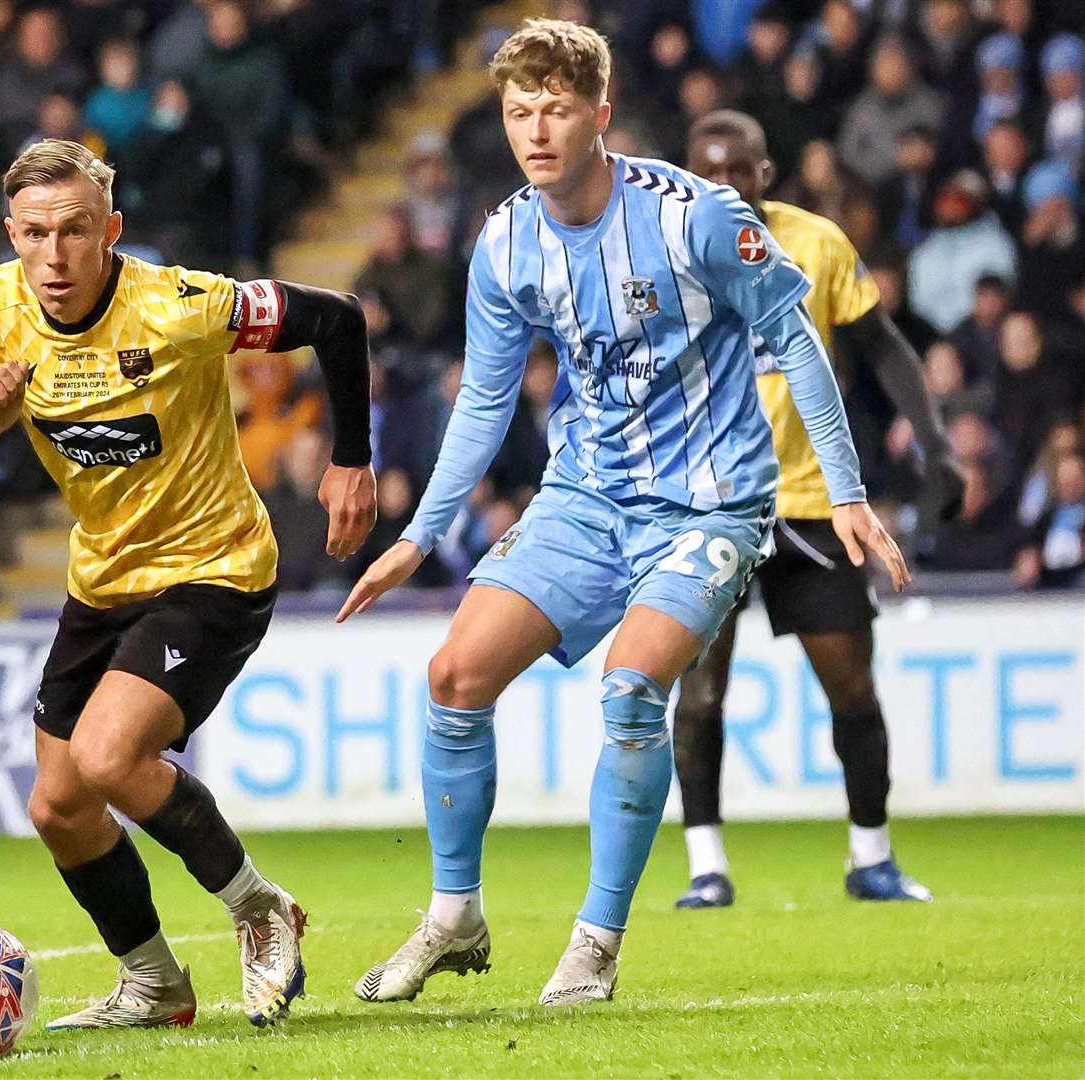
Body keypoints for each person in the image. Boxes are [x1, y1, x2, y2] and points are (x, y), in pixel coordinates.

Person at [341, 20, 909, 1008]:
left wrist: (848, 491)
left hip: (713, 500)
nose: (536, 129)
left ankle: (595, 943)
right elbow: (483, 399)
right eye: (519, 112)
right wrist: (417, 535)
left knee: (631, 685)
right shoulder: (507, 241)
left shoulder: (695, 217)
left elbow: (796, 338)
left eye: (556, 109)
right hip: (586, 494)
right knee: (452, 675)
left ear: (599, 114)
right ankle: (453, 915)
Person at [0, 139, 376, 1030]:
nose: (54, 254)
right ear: (12, 235)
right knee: (57, 805)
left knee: (108, 758)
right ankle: (154, 983)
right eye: (36, 233)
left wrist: (350, 462)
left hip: (215, 568)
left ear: (111, 232)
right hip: (104, 579)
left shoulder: (178, 306)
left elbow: (339, 319)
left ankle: (257, 908)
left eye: (76, 230)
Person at [672, 110, 965, 910]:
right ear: (689, 176)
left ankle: (870, 858)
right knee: (698, 697)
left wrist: (933, 441)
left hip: (811, 507)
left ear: (766, 176)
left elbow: (883, 347)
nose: (724, 184)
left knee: (853, 692)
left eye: (740, 171)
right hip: (706, 511)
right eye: (708, 172)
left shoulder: (817, 244)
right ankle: (706, 869)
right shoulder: (661, 255)